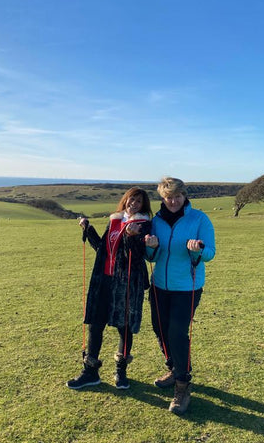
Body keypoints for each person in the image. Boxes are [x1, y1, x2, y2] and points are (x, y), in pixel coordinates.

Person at [67, 187, 152, 390]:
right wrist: (88, 229)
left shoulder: (144, 224)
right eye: (132, 199)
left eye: (139, 201)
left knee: (124, 326)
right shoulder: (114, 219)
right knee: (95, 324)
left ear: (143, 206)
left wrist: (132, 237)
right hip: (103, 280)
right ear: (125, 200)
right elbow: (101, 248)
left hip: (128, 282)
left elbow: (140, 255)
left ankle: (121, 372)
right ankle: (90, 372)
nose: (134, 204)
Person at [145, 177, 215, 414]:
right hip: (159, 286)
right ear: (162, 198)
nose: (173, 201)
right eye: (168, 197)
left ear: (184, 196)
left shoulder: (199, 219)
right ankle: (174, 368)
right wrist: (151, 247)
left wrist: (200, 248)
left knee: (176, 333)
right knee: (159, 329)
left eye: (177, 196)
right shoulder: (157, 221)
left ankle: (183, 387)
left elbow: (210, 252)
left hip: (187, 287)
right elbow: (150, 257)